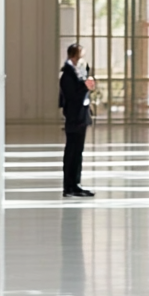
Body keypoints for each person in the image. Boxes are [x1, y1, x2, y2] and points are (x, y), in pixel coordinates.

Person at [59, 43, 97, 198]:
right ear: (73, 56)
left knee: (78, 152)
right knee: (72, 152)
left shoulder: (76, 73)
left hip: (80, 117)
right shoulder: (67, 75)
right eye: (80, 56)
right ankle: (69, 186)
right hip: (74, 118)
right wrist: (85, 87)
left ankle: (75, 183)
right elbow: (72, 96)